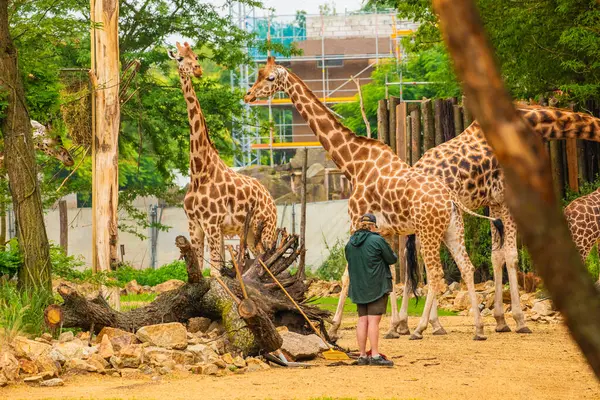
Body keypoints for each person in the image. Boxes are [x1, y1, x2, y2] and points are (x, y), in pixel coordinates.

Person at [345, 213, 397, 366]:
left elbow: (349, 260)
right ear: (373, 226)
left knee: (362, 320)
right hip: (376, 286)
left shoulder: (350, 243)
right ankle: (374, 355)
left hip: (359, 287)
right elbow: (392, 259)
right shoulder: (377, 240)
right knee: (373, 321)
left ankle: (362, 355)